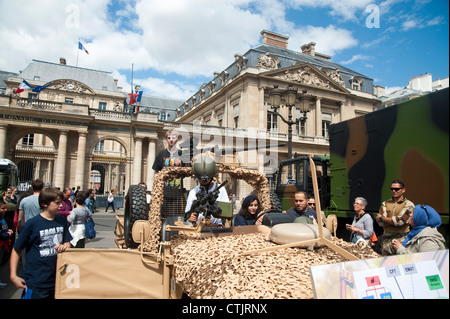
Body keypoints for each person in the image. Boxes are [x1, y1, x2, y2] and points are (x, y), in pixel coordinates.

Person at [10, 187, 72, 299]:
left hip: (57, 278)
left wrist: (64, 246)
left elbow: (68, 242)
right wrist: (13, 275)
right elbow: (17, 249)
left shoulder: (62, 221)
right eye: (57, 203)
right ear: (44, 204)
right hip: (36, 280)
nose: (61, 205)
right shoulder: (32, 224)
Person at [185, 155, 229, 226]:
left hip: (217, 228)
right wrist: (191, 217)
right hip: (198, 228)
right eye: (201, 180)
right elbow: (188, 214)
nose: (204, 181)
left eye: (206, 179)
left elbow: (227, 213)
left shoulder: (221, 190)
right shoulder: (193, 193)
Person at [152, 129, 186, 217]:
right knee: (162, 216)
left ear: (177, 139)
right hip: (163, 192)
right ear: (166, 139)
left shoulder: (182, 154)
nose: (171, 140)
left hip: (177, 192)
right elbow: (156, 173)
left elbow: (188, 170)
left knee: (175, 217)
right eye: (169, 138)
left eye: (173, 138)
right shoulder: (161, 154)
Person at [376, 180, 414, 255]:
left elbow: (400, 222)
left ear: (403, 190)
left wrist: (383, 219)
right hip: (386, 241)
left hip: (401, 240)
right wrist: (391, 221)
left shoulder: (409, 205)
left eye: (396, 189)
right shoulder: (386, 203)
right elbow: (380, 223)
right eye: (392, 189)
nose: (394, 191)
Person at [0, 203, 14, 288]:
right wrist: (8, 234)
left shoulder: (2, 218)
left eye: (5, 208)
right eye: (2, 208)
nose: (5, 210)